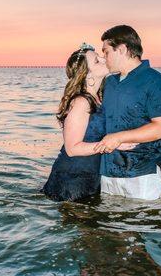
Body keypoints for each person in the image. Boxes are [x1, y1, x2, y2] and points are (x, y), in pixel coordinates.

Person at [42, 43, 136, 202]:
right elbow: (72, 149)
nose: (103, 58)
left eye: (100, 56)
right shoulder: (81, 102)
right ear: (87, 75)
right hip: (71, 179)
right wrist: (112, 144)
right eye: (97, 61)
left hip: (91, 177)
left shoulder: (100, 98)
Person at [94, 25, 161, 200]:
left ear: (122, 49)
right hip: (108, 169)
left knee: (142, 224)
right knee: (109, 225)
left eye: (106, 52)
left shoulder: (155, 82)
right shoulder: (109, 83)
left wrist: (119, 137)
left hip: (143, 171)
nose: (103, 57)